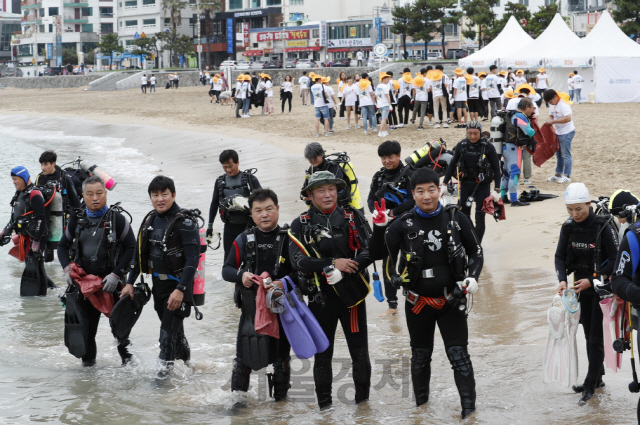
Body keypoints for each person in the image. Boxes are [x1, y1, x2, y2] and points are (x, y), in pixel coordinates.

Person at [369, 167, 483, 419]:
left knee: (459, 356)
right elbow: (378, 253)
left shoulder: (456, 218)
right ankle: (420, 412)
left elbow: (476, 252)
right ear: (413, 194)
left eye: (432, 189)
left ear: (439, 190)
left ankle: (469, 413)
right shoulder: (403, 223)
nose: (427, 196)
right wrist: (379, 227)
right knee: (420, 357)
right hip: (417, 303)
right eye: (420, 191)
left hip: (451, 301)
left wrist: (472, 278)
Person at [288, 170, 373, 409]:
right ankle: (325, 410)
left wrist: (346, 269)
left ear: (338, 191)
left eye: (331, 189)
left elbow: (370, 251)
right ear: (309, 195)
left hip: (353, 298)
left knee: (359, 352)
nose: (327, 195)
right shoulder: (300, 224)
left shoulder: (352, 216)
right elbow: (297, 261)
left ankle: (363, 407)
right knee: (323, 355)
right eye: (320, 190)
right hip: (320, 300)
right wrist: (330, 264)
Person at [124, 176, 201, 377]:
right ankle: (188, 367)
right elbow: (139, 255)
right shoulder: (150, 220)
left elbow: (192, 261)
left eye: (164, 194)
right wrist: (130, 282)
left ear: (173, 195)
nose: (160, 199)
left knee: (166, 334)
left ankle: (162, 380)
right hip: (158, 286)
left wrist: (181, 290)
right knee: (175, 331)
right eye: (155, 195)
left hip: (179, 287)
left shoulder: (185, 223)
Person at [221, 189, 293, 401]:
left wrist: (284, 282)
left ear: (278, 209)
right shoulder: (244, 239)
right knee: (244, 359)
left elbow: (302, 272)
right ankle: (238, 407)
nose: (264, 215)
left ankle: (280, 409)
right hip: (251, 311)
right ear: (251, 214)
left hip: (281, 310)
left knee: (281, 360)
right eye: (258, 210)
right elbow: (226, 270)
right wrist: (241, 275)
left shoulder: (289, 239)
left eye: (269, 209)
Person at [57, 176, 136, 366]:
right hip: (85, 287)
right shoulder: (77, 219)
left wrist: (116, 274)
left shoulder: (117, 219)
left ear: (106, 194)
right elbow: (62, 246)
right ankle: (89, 381)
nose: (95, 198)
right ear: (82, 195)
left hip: (112, 285)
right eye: (90, 194)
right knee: (87, 333)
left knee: (120, 333)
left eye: (99, 193)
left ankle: (129, 371)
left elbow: (132, 249)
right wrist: (67, 269)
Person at [554, 183, 618, 405]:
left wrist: (592, 281)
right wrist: (562, 279)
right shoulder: (569, 226)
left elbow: (616, 260)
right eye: (570, 209)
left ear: (589, 204)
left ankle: (590, 385)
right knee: (587, 334)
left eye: (579, 209)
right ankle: (597, 377)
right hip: (578, 289)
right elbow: (560, 256)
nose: (574, 214)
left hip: (599, 288)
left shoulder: (603, 226)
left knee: (595, 340)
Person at [368, 141, 415, 316]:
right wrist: (376, 213)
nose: (387, 161)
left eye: (390, 157)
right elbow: (370, 199)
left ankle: (413, 297)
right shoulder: (378, 177)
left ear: (399, 155)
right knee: (388, 263)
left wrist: (393, 212)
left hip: (407, 225)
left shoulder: (410, 175)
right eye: (384, 157)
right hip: (385, 227)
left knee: (411, 261)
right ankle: (392, 305)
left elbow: (413, 199)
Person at [442, 121, 501, 242]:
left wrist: (497, 189)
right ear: (466, 133)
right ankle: (471, 238)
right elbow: (452, 165)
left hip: (482, 185)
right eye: (469, 133)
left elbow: (496, 168)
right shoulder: (462, 145)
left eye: (475, 133)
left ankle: (477, 244)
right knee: (463, 215)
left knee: (480, 216)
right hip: (465, 184)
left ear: (481, 133)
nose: (472, 136)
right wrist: (444, 183)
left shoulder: (488, 146)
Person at [0, 166, 54, 292]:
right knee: (35, 267)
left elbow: (42, 220)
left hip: (37, 237)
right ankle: (52, 290)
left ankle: (44, 295)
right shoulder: (20, 193)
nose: (13, 182)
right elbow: (15, 217)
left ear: (24, 178)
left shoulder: (35, 194)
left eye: (15, 179)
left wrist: (36, 243)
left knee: (33, 266)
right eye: (12, 179)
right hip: (25, 236)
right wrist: (4, 232)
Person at [207, 149, 261, 259]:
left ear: (237, 162)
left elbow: (263, 200)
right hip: (229, 227)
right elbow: (214, 204)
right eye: (224, 167)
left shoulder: (250, 179)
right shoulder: (220, 182)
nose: (228, 170)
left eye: (230, 166)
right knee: (229, 259)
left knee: (252, 257)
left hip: (249, 227)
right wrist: (210, 226)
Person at [35, 150, 81, 261]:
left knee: (66, 254)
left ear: (53, 164)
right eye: (41, 164)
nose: (43, 167)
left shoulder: (64, 178)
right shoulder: (40, 178)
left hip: (63, 218)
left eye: (45, 164)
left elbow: (75, 200)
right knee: (47, 259)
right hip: (45, 219)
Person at [503, 97, 536, 206]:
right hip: (514, 148)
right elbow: (528, 131)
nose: (533, 110)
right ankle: (514, 200)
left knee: (506, 174)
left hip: (505, 147)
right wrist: (534, 129)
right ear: (527, 107)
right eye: (532, 108)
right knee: (515, 173)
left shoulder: (512, 115)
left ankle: (503, 197)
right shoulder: (520, 116)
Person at [301, 142, 353, 209]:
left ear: (321, 154)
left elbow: (339, 191)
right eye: (309, 158)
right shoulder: (311, 170)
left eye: (314, 157)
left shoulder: (334, 167)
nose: (312, 160)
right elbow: (304, 190)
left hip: (338, 205)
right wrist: (304, 196)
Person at [544, 90, 575, 184]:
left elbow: (568, 118)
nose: (550, 104)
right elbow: (551, 115)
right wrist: (549, 121)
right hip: (558, 132)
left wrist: (553, 122)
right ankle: (558, 174)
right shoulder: (552, 105)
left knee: (566, 154)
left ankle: (567, 175)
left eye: (550, 101)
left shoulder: (563, 105)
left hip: (567, 132)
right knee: (559, 155)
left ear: (555, 97)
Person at [375, 72, 392, 137]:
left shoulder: (378, 86)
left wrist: (377, 103)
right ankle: (380, 131)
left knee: (384, 118)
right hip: (385, 104)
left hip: (380, 104)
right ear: (384, 79)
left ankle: (384, 130)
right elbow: (387, 96)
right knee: (384, 118)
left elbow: (376, 96)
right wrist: (390, 105)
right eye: (387, 78)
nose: (388, 80)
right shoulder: (385, 86)